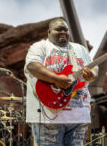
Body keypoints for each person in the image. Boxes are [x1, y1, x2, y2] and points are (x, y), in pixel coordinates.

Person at [24, 17, 98, 146]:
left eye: (66, 30)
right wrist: (56, 79)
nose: (63, 32)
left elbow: (94, 70)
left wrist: (91, 76)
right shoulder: (40, 47)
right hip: (48, 116)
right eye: (59, 29)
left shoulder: (80, 49)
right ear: (49, 32)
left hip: (78, 116)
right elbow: (32, 66)